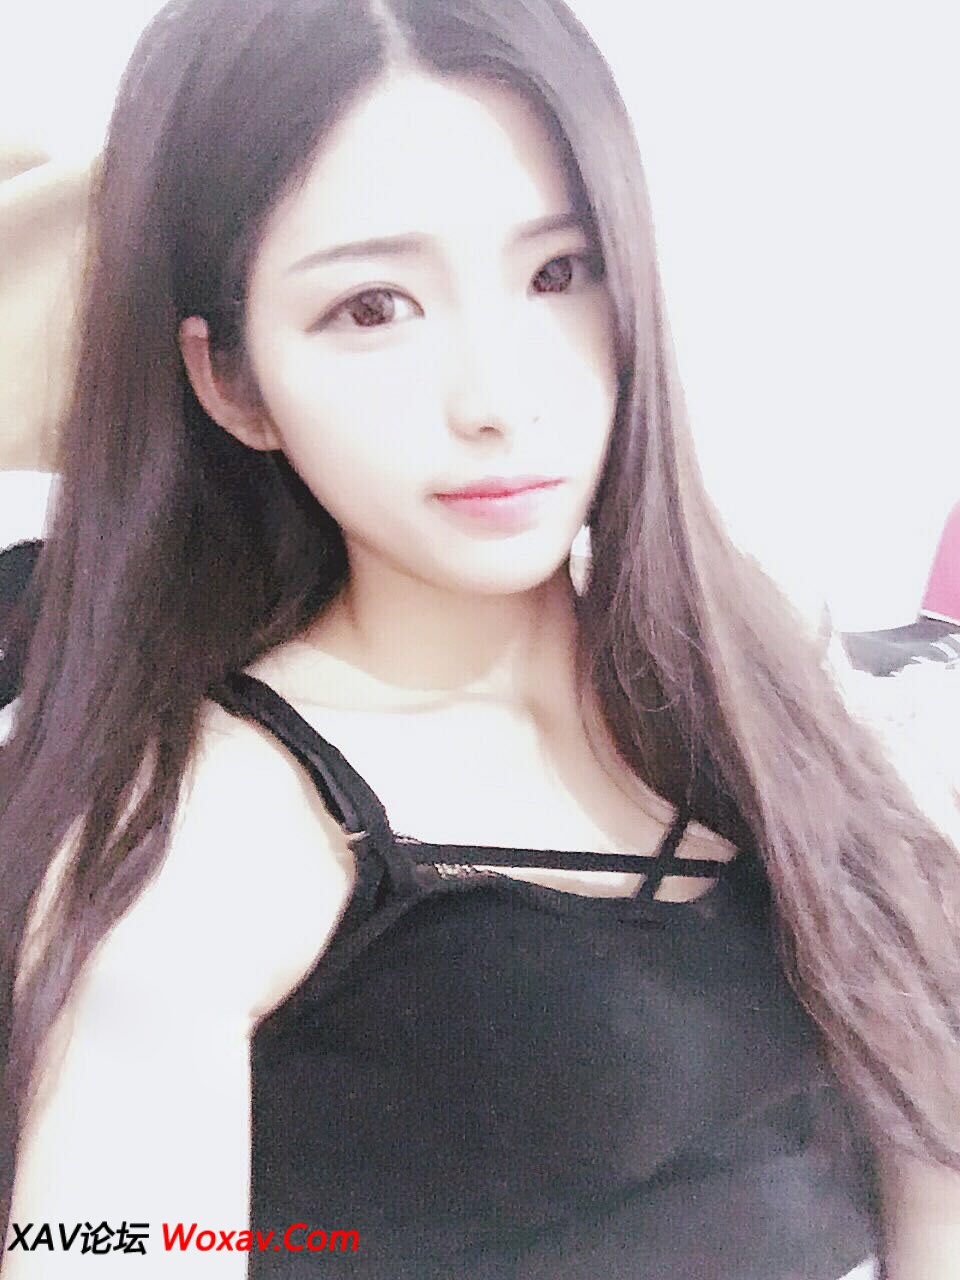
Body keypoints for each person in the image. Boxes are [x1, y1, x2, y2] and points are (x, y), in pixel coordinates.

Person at [1, 0, 959, 1275]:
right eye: (372, 306)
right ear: (234, 381)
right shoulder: (207, 837)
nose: (497, 397)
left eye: (559, 273)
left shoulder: (754, 665)